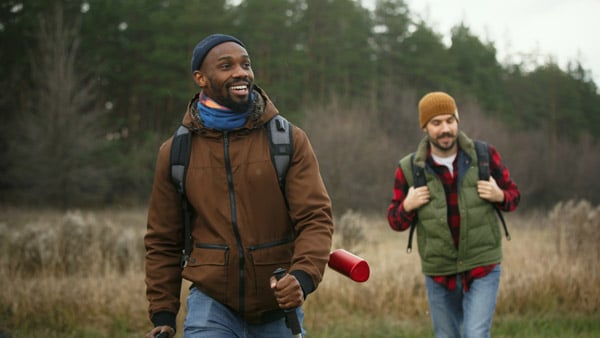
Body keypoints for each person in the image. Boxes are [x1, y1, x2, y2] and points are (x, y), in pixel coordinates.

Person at [144, 34, 334, 338]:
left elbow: (316, 218)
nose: (241, 72)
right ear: (201, 78)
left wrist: (302, 278)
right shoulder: (176, 152)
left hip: (278, 306)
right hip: (211, 304)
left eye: (246, 64)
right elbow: (163, 241)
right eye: (226, 66)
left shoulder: (287, 140)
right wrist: (163, 315)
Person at [386, 91, 520, 338]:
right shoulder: (408, 168)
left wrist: (500, 195)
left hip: (483, 265)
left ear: (458, 121)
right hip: (439, 271)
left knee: (475, 334)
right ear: (424, 127)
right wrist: (407, 205)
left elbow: (514, 197)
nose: (445, 128)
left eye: (450, 120)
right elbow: (394, 221)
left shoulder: (484, 155)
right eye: (436, 123)